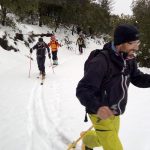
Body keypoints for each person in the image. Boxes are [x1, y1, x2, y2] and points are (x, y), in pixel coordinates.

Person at [76, 24, 150, 150]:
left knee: (102, 139)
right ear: (122, 43)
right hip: (99, 112)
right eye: (133, 43)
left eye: (138, 42)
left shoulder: (129, 59)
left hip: (115, 110)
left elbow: (137, 78)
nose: (137, 47)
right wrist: (99, 107)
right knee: (113, 146)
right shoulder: (101, 61)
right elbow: (83, 89)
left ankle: (87, 139)